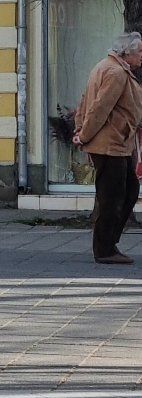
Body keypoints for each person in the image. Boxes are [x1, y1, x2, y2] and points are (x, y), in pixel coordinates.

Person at [74, 30, 142, 264]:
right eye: (140, 51)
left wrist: (79, 128)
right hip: (110, 143)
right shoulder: (115, 72)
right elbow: (99, 108)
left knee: (129, 191)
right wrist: (83, 135)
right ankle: (104, 249)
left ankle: (109, 242)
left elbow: (86, 100)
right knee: (112, 198)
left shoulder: (106, 66)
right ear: (127, 53)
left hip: (116, 143)